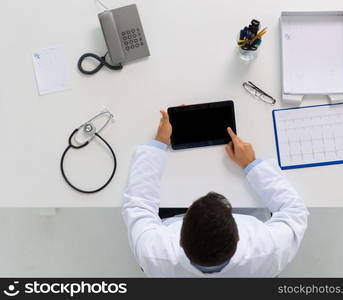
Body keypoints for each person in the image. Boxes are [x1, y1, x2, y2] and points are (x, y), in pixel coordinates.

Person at [122, 110, 308, 277]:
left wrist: (160, 143)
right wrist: (251, 164)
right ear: (238, 238)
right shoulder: (270, 251)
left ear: (179, 241)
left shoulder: (154, 255)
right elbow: (294, 211)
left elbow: (138, 205)